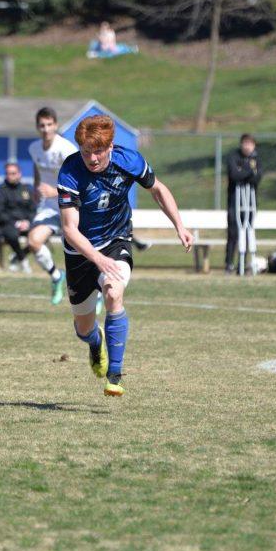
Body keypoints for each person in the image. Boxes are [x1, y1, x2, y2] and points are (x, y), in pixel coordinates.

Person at [57, 115, 193, 397]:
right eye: (86, 151)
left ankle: (115, 375)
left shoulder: (128, 160)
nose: (91, 158)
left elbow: (158, 189)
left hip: (116, 240)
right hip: (80, 252)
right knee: (83, 328)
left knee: (113, 292)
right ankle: (96, 343)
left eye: (97, 151)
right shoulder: (70, 170)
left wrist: (179, 225)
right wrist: (97, 258)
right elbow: (70, 230)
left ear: (110, 147)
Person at [27, 106, 78, 304]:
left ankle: (97, 292)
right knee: (33, 241)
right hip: (49, 207)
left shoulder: (66, 149)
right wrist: (35, 187)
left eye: (49, 125)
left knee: (83, 254)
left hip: (71, 207)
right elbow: (38, 167)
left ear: (56, 125)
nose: (46, 129)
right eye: (42, 125)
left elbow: (80, 182)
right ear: (37, 127)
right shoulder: (34, 148)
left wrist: (55, 191)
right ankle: (57, 276)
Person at [225, 134, 262, 274]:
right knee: (233, 232)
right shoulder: (234, 157)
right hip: (235, 201)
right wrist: (248, 171)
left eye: (250, 143)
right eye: (245, 143)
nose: (247, 146)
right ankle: (229, 263)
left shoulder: (256, 159)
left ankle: (244, 264)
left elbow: (257, 177)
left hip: (249, 202)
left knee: (247, 231)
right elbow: (235, 175)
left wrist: (245, 171)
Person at [0, 161, 36, 269]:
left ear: (19, 174)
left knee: (39, 236)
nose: (10, 176)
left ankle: (17, 256)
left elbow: (32, 209)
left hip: (26, 223)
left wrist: (28, 221)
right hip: (9, 224)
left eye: (13, 173)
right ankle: (23, 261)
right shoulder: (1, 191)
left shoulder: (26, 189)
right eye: (8, 173)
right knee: (11, 235)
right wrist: (15, 223)